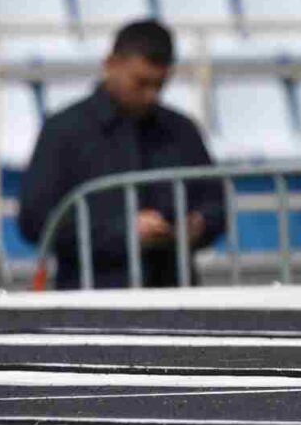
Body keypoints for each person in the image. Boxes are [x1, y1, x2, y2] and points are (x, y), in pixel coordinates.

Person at [16, 20, 227, 289]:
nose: (151, 95)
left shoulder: (181, 130)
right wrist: (123, 233)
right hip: (90, 302)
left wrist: (198, 225)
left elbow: (216, 202)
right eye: (141, 83)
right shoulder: (64, 130)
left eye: (160, 85)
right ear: (110, 65)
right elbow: (35, 221)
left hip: (173, 297)